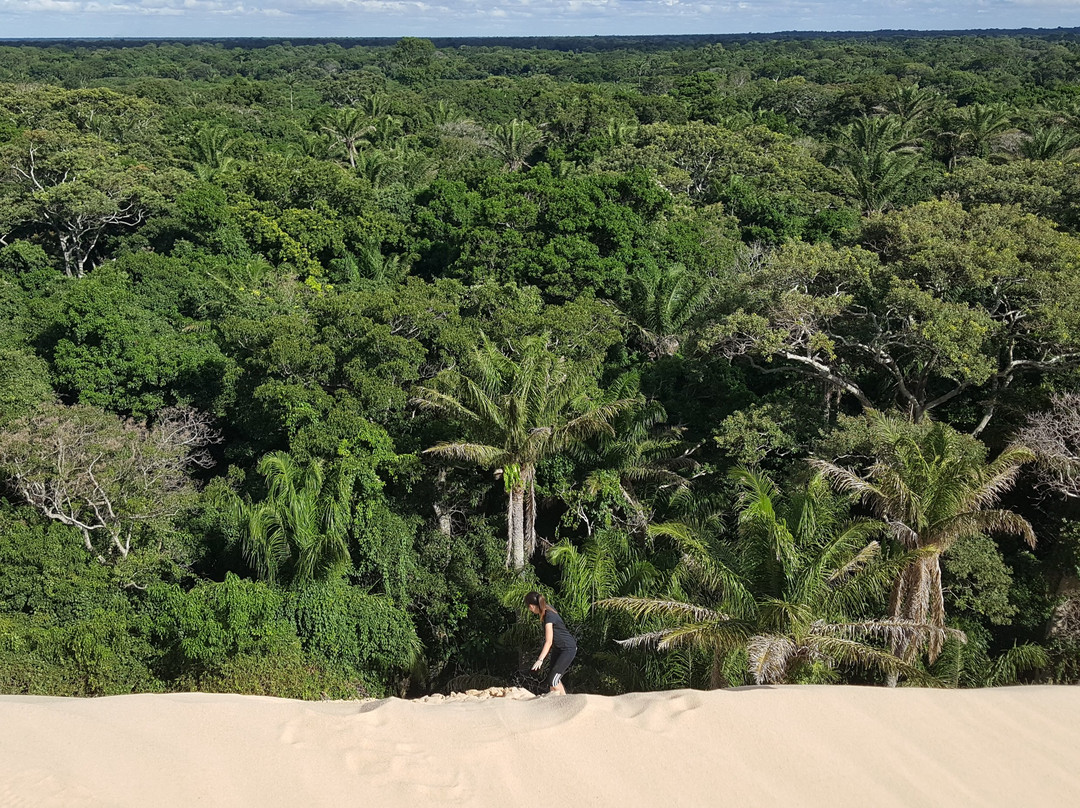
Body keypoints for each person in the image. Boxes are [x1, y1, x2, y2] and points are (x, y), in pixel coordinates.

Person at [525, 591, 577, 694]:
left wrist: (540, 660)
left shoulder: (549, 615)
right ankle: (558, 703)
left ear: (531, 606)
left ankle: (565, 704)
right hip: (558, 649)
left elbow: (548, 642)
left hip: (567, 649)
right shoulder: (546, 609)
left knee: (553, 680)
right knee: (552, 679)